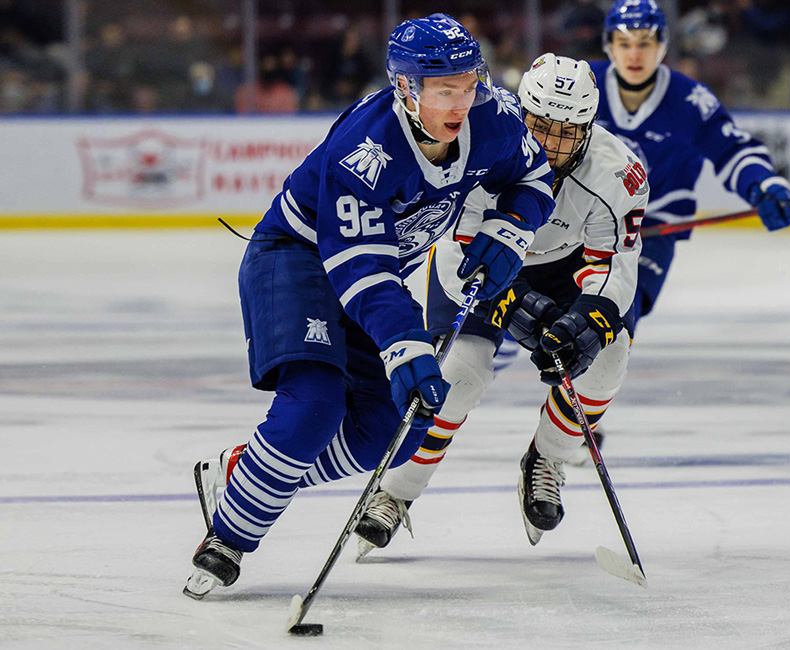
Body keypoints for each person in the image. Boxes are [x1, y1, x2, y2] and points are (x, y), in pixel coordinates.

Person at [183, 13, 555, 599]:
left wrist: (511, 230)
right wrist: (403, 342)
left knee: (396, 430)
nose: (461, 102)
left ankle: (245, 474)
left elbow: (533, 173)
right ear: (407, 89)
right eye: (444, 90)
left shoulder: (494, 118)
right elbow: (363, 269)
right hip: (297, 261)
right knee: (314, 406)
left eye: (468, 84)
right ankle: (229, 537)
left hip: (371, 276)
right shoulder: (366, 150)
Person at [351, 53, 647, 554]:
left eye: (568, 132)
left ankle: (547, 458)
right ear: (519, 111)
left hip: (564, 267)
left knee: (607, 356)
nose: (552, 147)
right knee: (459, 375)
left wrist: (588, 320)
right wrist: (509, 302)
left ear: (590, 127)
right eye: (541, 127)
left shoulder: (618, 172)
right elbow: (451, 246)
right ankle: (396, 492)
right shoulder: (475, 142)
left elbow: (615, 265)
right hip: (479, 259)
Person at [592, 0, 790, 332]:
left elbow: (731, 150)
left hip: (652, 228)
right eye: (624, 43)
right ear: (609, 46)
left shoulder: (689, 100)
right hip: (582, 221)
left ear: (661, 46)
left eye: (645, 43)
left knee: (614, 319)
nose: (634, 54)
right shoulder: (581, 85)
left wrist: (763, 185)